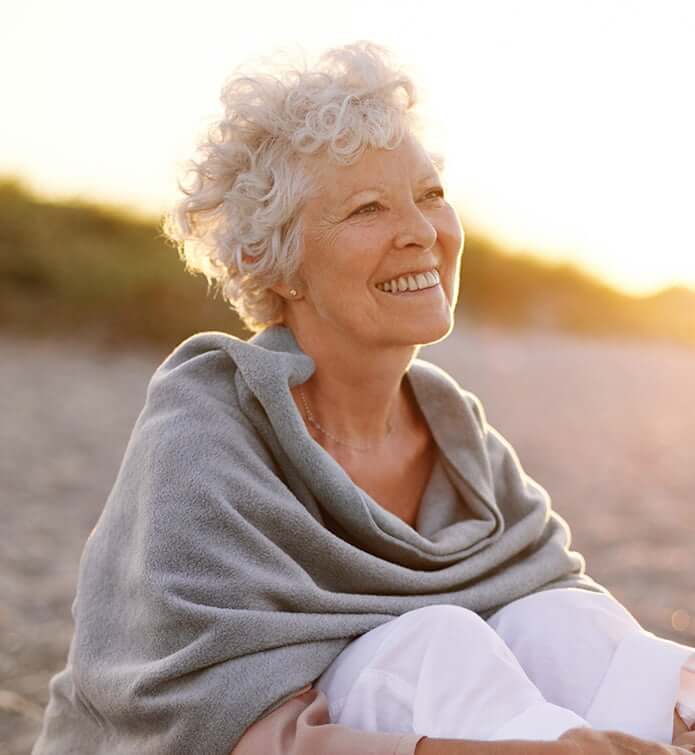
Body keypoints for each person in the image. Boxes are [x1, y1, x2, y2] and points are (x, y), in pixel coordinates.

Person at [33, 41, 695, 755]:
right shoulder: (204, 434)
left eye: (430, 194)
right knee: (433, 640)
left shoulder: (457, 437)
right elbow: (202, 720)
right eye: (368, 208)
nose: (419, 232)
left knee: (562, 618)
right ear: (270, 259)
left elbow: (561, 614)